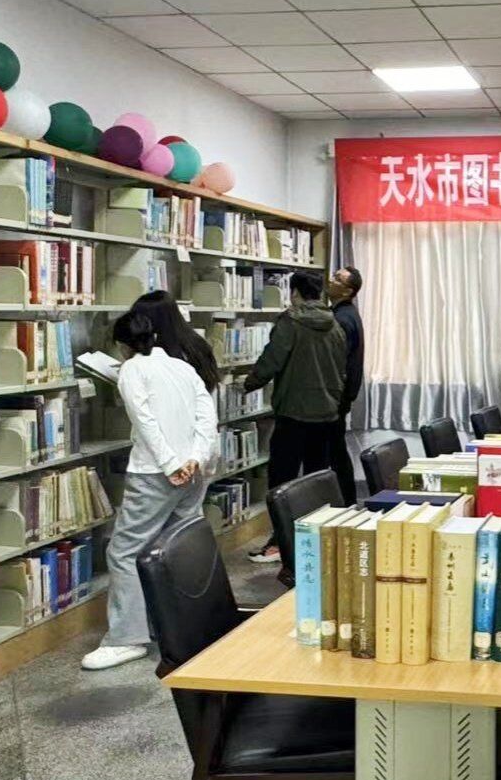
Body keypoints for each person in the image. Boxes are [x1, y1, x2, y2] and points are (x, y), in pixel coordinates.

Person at [82, 295, 218, 672]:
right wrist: (194, 458)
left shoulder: (131, 370)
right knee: (176, 547)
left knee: (124, 551)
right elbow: (206, 416)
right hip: (194, 471)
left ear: (123, 345)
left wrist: (172, 464)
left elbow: (145, 422)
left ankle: (126, 639)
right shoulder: (182, 366)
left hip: (157, 473)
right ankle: (180, 624)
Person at [244, 271, 347, 586]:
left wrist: (249, 384)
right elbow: (341, 367)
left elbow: (272, 360)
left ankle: (280, 544)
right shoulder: (335, 325)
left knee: (281, 483)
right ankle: (313, 543)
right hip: (326, 414)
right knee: (314, 482)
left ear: (296, 293)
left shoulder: (290, 323)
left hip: (294, 413)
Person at [326, 266, 364, 505]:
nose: (331, 280)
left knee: (335, 451)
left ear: (348, 291)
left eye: (337, 279)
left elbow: (337, 361)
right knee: (336, 450)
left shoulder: (342, 319)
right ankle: (347, 500)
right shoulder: (346, 313)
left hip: (335, 396)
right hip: (341, 395)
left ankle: (346, 502)